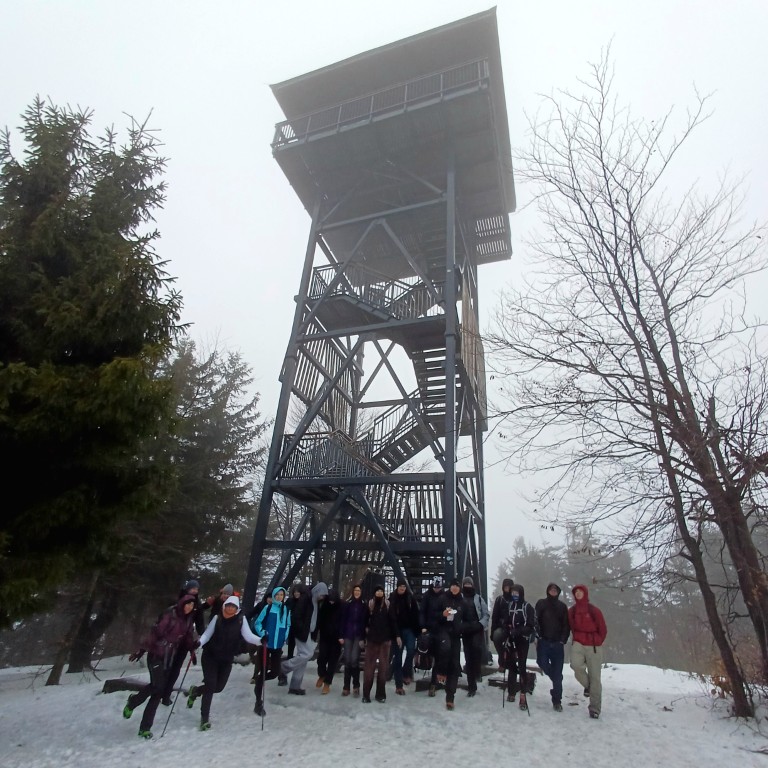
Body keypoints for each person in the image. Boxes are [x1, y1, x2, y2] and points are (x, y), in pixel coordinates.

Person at [123, 594, 198, 739]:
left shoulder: (188, 620)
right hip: (156, 655)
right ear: (182, 603)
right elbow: (154, 634)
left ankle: (144, 727)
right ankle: (133, 703)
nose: (189, 607)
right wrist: (141, 650)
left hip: (170, 658)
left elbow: (188, 638)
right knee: (158, 687)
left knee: (158, 691)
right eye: (187, 604)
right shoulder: (170, 615)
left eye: (192, 605)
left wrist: (192, 648)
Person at [187, 595, 261, 730]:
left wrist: (261, 640)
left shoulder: (240, 620)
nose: (230, 609)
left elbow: (248, 636)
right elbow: (207, 634)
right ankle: (204, 718)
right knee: (210, 685)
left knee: (218, 687)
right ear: (224, 606)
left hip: (226, 659)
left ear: (237, 609)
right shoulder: (217, 618)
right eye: (228, 606)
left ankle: (196, 691)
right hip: (210, 656)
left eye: (233, 607)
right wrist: (199, 643)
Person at [160, 578, 206, 706]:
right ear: (187, 588)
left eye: (196, 589)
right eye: (192, 588)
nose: (194, 591)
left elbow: (200, 623)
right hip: (171, 640)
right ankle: (159, 690)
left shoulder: (197, 605)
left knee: (176, 669)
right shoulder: (177, 600)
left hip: (185, 640)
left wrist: (203, 637)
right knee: (166, 666)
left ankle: (166, 694)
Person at [568, 584, 607, 719]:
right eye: (576, 592)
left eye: (580, 591)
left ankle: (595, 708)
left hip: (594, 644)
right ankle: (589, 687)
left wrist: (597, 641)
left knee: (595, 676)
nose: (578, 594)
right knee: (576, 666)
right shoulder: (572, 611)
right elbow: (571, 626)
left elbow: (603, 629)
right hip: (578, 642)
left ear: (585, 593)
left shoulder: (594, 610)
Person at [252, 586, 290, 717]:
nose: (280, 597)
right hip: (266, 644)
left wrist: (285, 636)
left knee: (274, 672)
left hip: (277, 645)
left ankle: (258, 680)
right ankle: (258, 702)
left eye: (282, 595)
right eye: (278, 595)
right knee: (263, 671)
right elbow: (257, 623)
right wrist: (263, 633)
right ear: (274, 596)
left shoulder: (285, 609)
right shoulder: (267, 608)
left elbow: (288, 624)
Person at [535, 582, 570, 712]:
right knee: (542, 663)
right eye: (551, 589)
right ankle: (556, 678)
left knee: (557, 671)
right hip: (544, 641)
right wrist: (537, 636)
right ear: (547, 591)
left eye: (555, 590)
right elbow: (535, 620)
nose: (553, 591)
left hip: (557, 644)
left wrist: (563, 640)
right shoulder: (541, 603)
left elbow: (566, 625)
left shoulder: (562, 606)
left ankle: (557, 701)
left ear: (558, 592)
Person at [362, 584, 399, 703]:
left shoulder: (388, 606)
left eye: (381, 591)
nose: (379, 593)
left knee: (383, 670)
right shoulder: (370, 605)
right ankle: (366, 694)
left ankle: (380, 694)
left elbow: (393, 621)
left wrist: (396, 635)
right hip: (372, 640)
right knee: (369, 669)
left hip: (384, 640)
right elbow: (364, 621)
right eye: (377, 591)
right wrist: (364, 636)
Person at [503, 584, 536, 711]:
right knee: (511, 664)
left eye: (517, 593)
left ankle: (523, 693)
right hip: (511, 638)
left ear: (521, 593)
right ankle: (511, 692)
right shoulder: (510, 605)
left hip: (522, 639)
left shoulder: (527, 607)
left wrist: (518, 631)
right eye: (513, 593)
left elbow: (530, 625)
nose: (514, 595)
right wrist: (507, 629)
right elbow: (506, 620)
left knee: (521, 665)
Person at [434, 578, 466, 710]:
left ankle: (450, 697)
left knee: (454, 664)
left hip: (456, 634)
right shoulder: (442, 598)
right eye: (453, 585)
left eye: (457, 586)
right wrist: (442, 614)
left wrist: (464, 628)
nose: (454, 588)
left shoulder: (462, 602)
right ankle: (441, 672)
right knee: (445, 648)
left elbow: (468, 618)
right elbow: (434, 615)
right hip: (443, 631)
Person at [280, 582, 316, 695]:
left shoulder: (306, 599)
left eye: (297, 592)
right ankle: (283, 667)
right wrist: (302, 628)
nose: (296, 594)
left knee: (303, 657)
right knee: (307, 654)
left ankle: (295, 686)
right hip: (299, 632)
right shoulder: (303, 600)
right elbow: (296, 617)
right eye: (294, 592)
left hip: (301, 631)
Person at [388, 578, 420, 694]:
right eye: (400, 586)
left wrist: (418, 631)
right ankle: (398, 685)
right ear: (397, 587)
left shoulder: (410, 598)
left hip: (410, 630)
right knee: (398, 656)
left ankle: (406, 672)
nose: (402, 588)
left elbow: (416, 614)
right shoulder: (392, 599)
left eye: (404, 586)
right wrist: (396, 635)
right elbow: (392, 618)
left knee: (411, 651)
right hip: (398, 631)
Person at [460, 576, 490, 697]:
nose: (467, 586)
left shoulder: (478, 598)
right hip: (465, 629)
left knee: (476, 651)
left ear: (472, 585)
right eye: (465, 584)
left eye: (469, 584)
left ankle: (477, 673)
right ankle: (471, 685)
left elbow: (486, 614)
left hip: (477, 628)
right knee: (468, 656)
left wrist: (481, 625)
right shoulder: (460, 598)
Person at [419, 576, 445, 695]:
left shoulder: (444, 597)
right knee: (427, 653)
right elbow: (422, 612)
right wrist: (423, 626)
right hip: (429, 629)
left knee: (439, 656)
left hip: (440, 630)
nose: (437, 589)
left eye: (439, 587)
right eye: (435, 587)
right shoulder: (426, 596)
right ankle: (429, 674)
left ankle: (433, 683)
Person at [340, 584, 366, 696]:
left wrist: (364, 637)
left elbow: (365, 622)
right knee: (347, 660)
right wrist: (341, 635)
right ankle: (346, 686)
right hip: (348, 634)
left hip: (358, 635)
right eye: (355, 590)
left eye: (358, 590)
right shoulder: (348, 605)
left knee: (354, 659)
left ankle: (356, 685)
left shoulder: (364, 606)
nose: (357, 592)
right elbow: (343, 620)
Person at [315, 587, 343, 694]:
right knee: (321, 658)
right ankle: (322, 675)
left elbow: (342, 622)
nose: (331, 602)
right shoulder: (324, 605)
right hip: (324, 636)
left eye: (333, 600)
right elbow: (319, 619)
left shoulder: (341, 606)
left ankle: (327, 683)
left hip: (336, 638)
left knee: (332, 661)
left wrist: (341, 635)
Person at [491, 578, 514, 668]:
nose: (507, 588)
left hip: (513, 626)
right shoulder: (499, 599)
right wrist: (493, 630)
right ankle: (501, 655)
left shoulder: (515, 598)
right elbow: (495, 615)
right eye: (506, 587)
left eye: (509, 587)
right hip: (501, 626)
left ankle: (512, 658)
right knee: (496, 636)